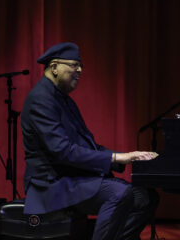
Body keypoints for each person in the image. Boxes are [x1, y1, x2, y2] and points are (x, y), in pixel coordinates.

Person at [21, 42, 159, 240]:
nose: (79, 70)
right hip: (52, 183)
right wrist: (118, 157)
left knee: (146, 197)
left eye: (81, 66)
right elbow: (62, 151)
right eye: (74, 65)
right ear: (54, 67)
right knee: (119, 194)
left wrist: (130, 156)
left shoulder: (64, 99)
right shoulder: (41, 100)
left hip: (74, 177)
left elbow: (88, 146)